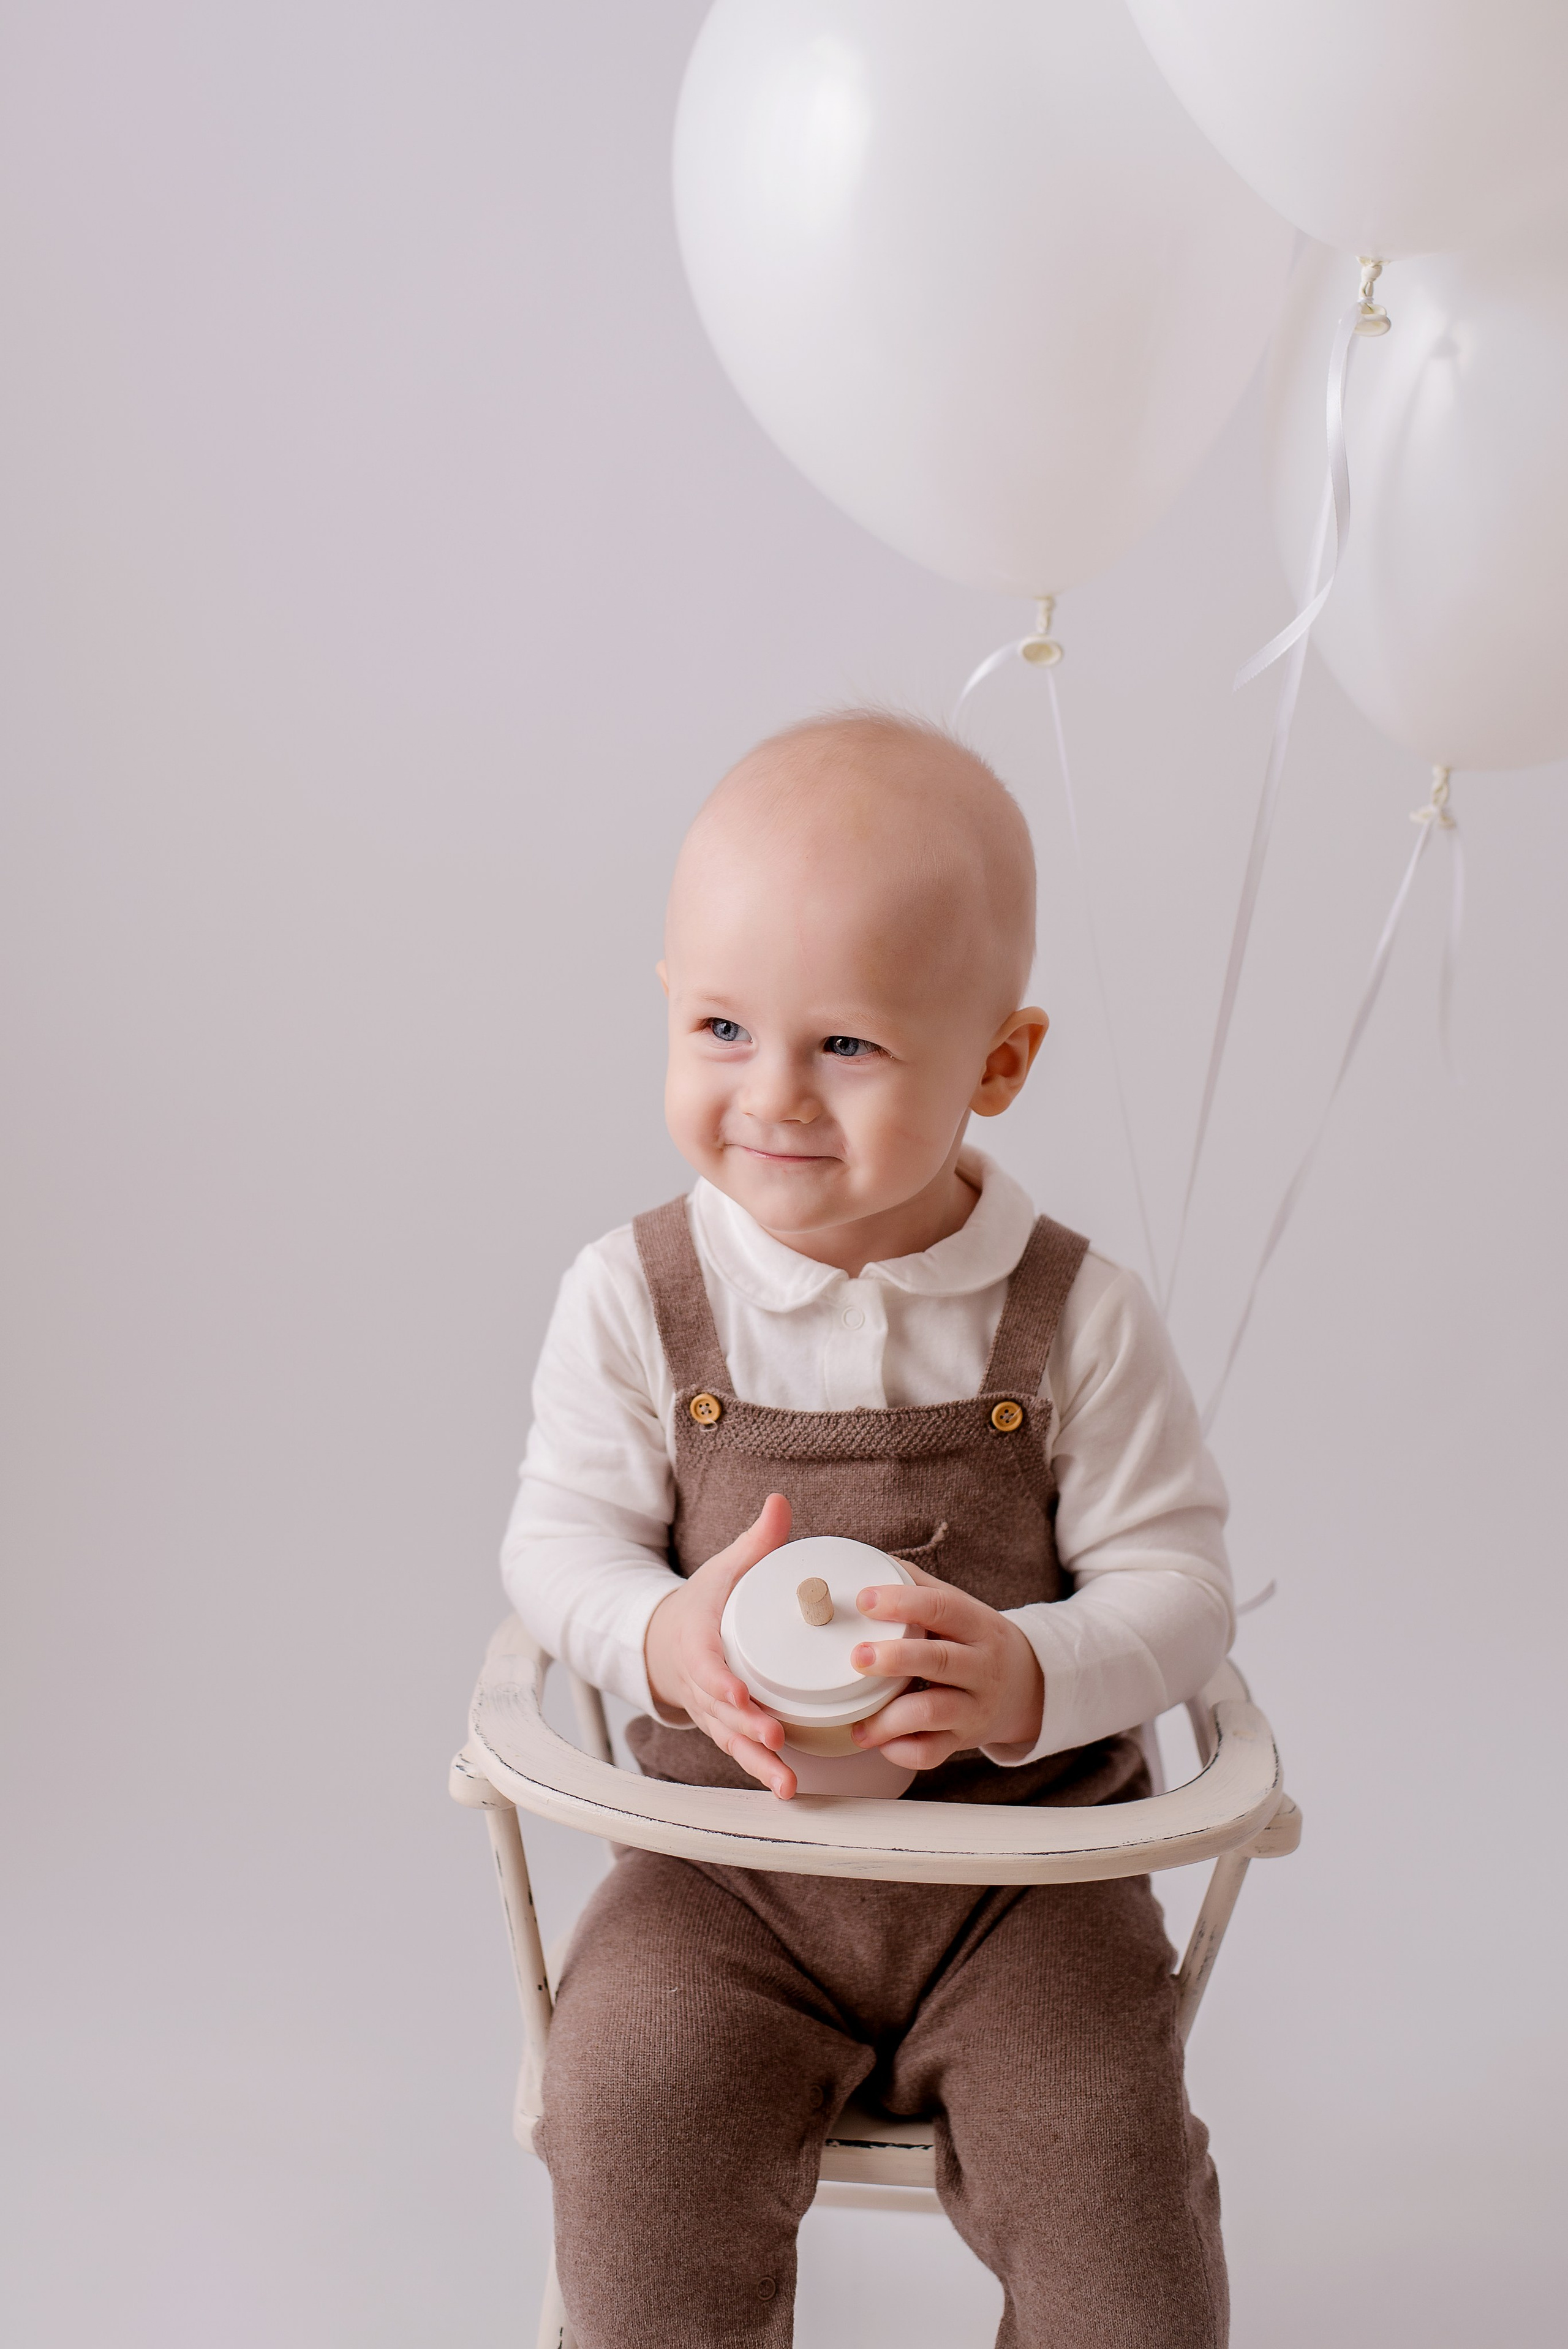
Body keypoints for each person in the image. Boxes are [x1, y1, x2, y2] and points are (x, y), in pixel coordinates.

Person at [502, 711, 1234, 2347]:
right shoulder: (638, 1298)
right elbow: (556, 1546)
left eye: (846, 1046)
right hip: (726, 1874)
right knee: (626, 2108)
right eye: (720, 1024)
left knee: (1114, 2173)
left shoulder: (1074, 1319)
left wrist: (1031, 1671)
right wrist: (663, 1635)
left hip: (1024, 1882)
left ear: (996, 1062)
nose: (770, 1096)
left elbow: (1182, 1585)